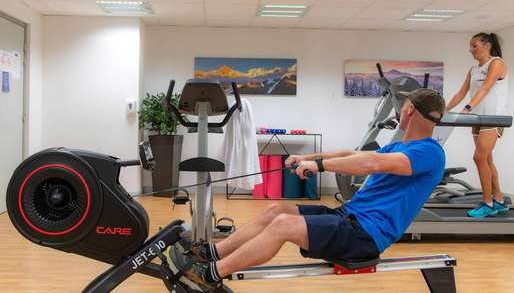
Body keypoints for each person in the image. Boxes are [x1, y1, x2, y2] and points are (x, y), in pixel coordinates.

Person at [165, 88, 446, 292]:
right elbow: (352, 152)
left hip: (365, 235)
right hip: (349, 217)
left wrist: (321, 167)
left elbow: (371, 162)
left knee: (284, 225)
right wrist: (308, 158)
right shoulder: (400, 146)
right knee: (277, 209)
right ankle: (210, 254)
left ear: (408, 109)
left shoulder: (429, 152)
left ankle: (210, 274)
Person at [446, 32, 510, 218]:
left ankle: (488, 202)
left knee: (479, 158)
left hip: (493, 117)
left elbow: (486, 88)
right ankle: (498, 199)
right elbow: (460, 93)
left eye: (474, 45)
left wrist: (467, 108)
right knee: (487, 159)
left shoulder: (497, 63)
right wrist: (442, 109)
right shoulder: (473, 69)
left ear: (487, 45)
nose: (471, 49)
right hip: (477, 118)